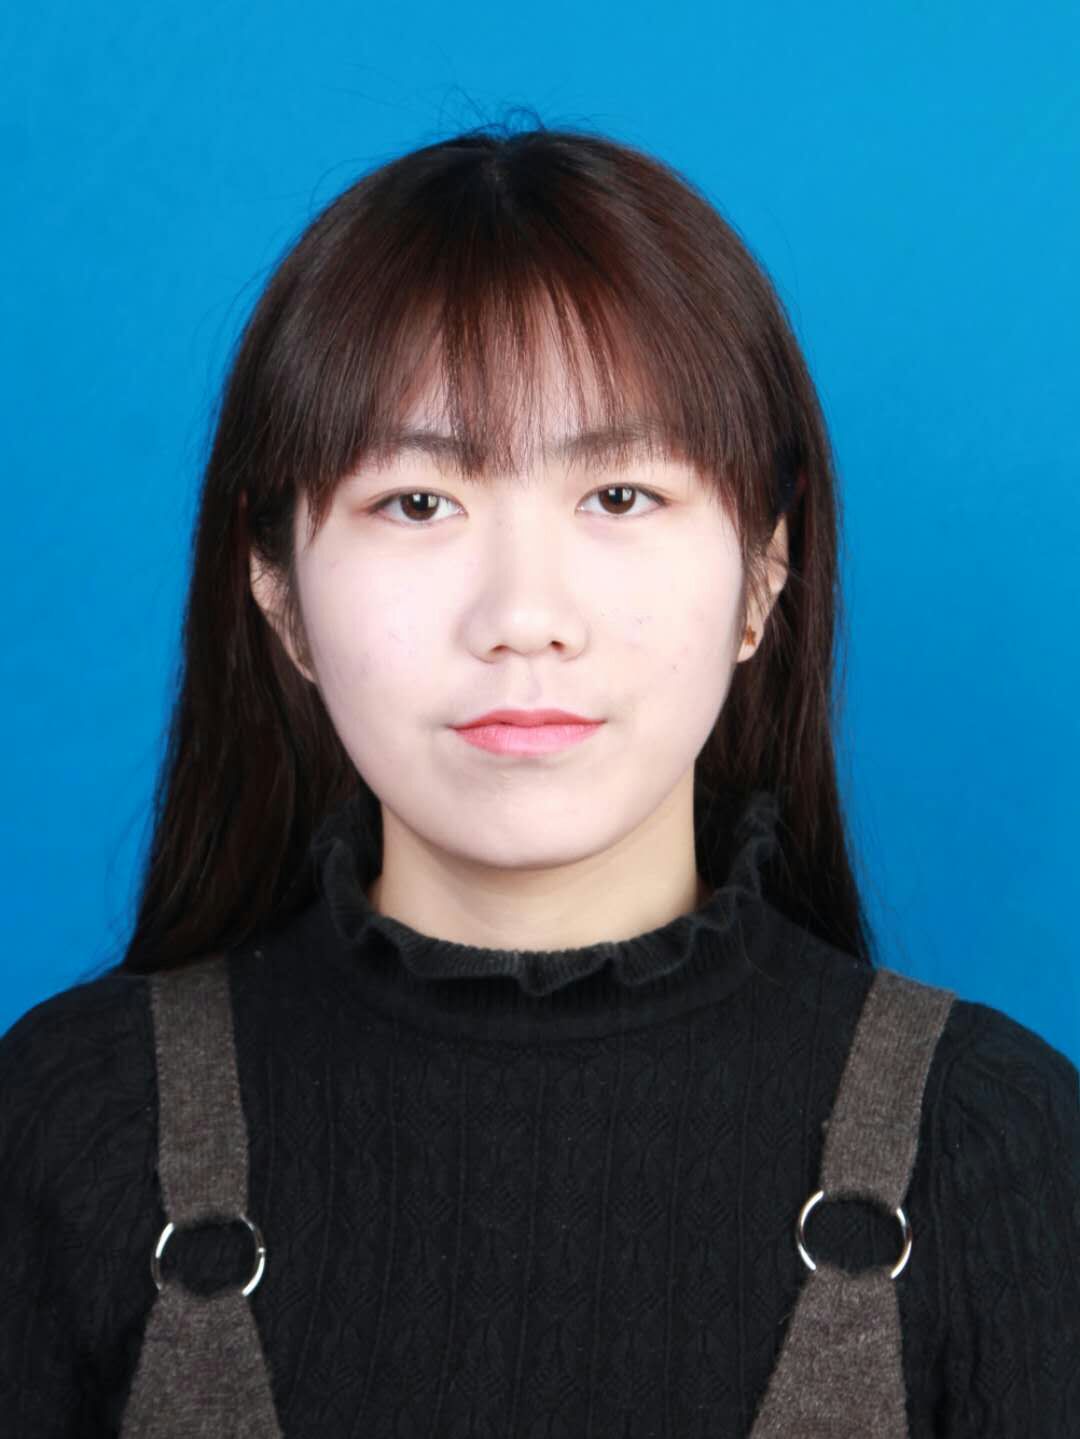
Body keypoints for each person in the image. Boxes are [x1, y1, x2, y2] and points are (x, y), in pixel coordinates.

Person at [1, 122, 1077, 1438]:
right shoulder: (72, 1125)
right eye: (417, 502)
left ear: (765, 570)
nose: (523, 618)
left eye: (619, 496)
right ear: (277, 588)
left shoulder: (990, 1144)